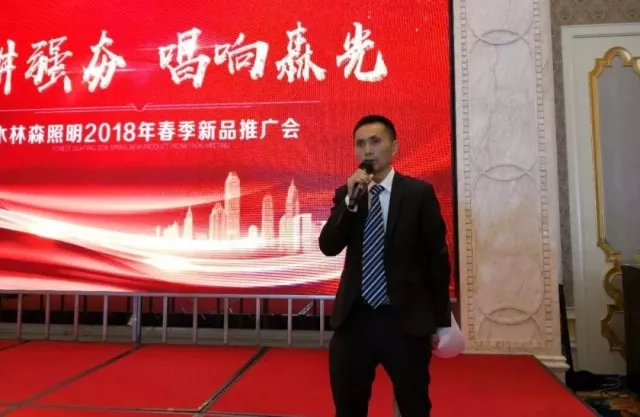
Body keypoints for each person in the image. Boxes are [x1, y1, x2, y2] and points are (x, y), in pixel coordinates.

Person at [318, 115, 451, 417]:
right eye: (360, 144)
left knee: (414, 406)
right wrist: (350, 202)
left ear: (394, 146)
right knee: (348, 408)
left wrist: (439, 321)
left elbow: (437, 260)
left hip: (405, 320)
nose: (367, 150)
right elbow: (328, 246)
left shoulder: (418, 194)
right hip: (354, 320)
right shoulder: (348, 195)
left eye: (375, 142)